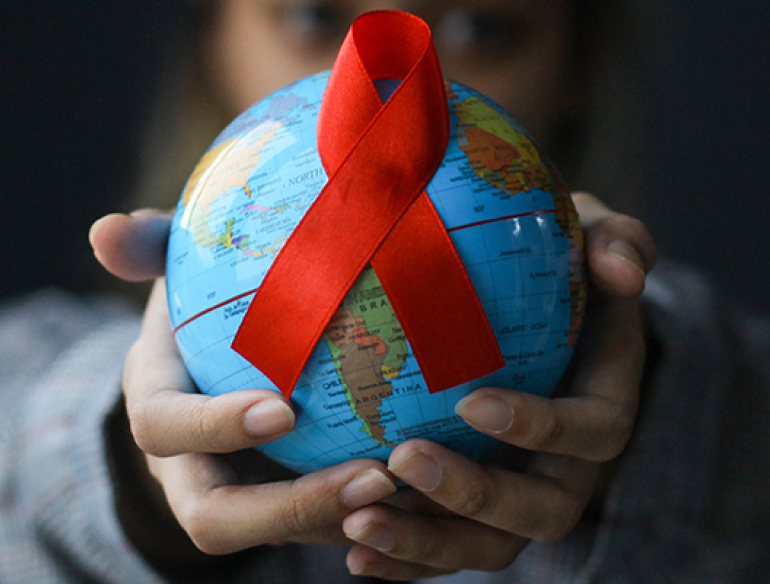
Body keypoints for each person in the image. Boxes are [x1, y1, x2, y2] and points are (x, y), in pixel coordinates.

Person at [1, 2, 768, 584]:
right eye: (311, 16)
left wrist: (655, 399)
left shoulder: (710, 365)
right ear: (210, 40)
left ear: (575, 70)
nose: (381, 101)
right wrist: (136, 467)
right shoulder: (39, 353)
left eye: (478, 27)